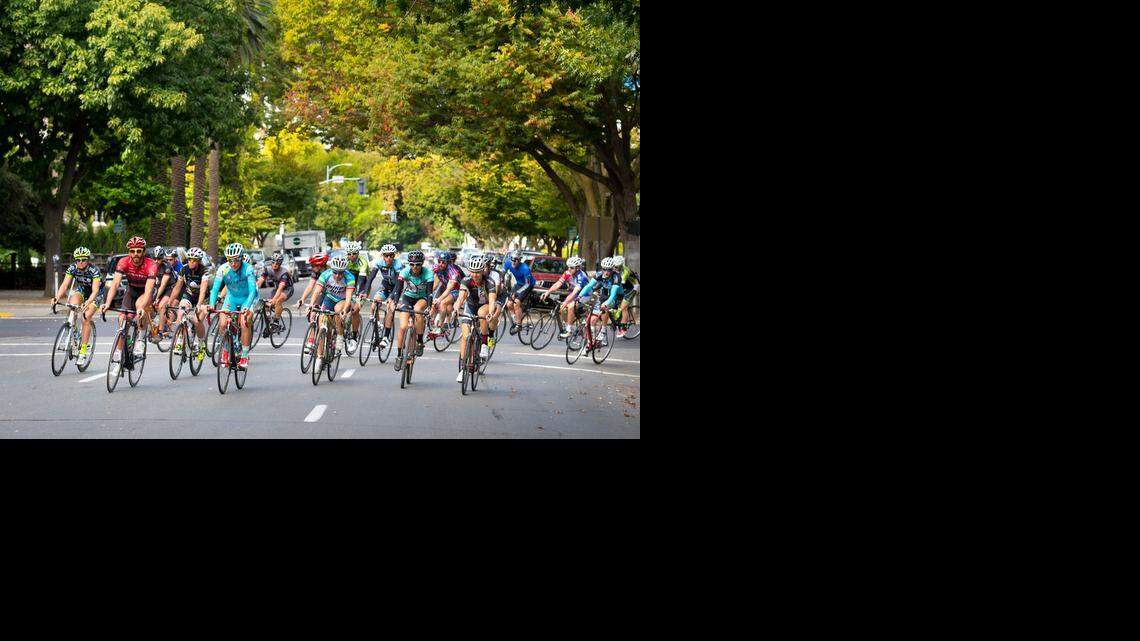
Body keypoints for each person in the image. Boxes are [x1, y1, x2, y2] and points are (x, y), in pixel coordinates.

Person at [100, 236, 159, 377]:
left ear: (143, 251)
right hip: (131, 291)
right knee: (122, 321)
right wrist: (107, 303)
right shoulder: (123, 262)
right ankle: (119, 356)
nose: (135, 254)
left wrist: (141, 307)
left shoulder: (151, 265)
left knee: (140, 306)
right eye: (132, 251)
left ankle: (141, 339)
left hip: (147, 292)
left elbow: (149, 290)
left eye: (139, 251)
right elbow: (114, 284)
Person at [203, 243, 258, 370]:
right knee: (222, 324)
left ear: (241, 257)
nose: (233, 263)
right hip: (231, 298)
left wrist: (247, 306)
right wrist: (211, 304)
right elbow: (215, 289)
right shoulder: (223, 269)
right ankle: (226, 350)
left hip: (246, 299)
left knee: (244, 322)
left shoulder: (248, 269)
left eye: (236, 260)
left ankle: (244, 355)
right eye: (230, 260)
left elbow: (252, 291)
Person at [51, 246, 103, 368]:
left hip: (95, 294)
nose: (80, 262)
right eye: (78, 260)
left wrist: (88, 302)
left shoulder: (94, 270)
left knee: (86, 317)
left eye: (83, 260)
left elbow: (95, 290)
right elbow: (64, 285)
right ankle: (72, 333)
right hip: (82, 290)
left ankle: (83, 351)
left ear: (88, 260)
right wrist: (57, 298)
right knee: (72, 306)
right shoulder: (73, 268)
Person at [453, 254, 496, 383]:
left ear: (483, 270)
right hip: (470, 306)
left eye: (478, 272)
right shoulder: (466, 280)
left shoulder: (489, 282)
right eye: (472, 272)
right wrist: (456, 308)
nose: (475, 275)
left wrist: (491, 312)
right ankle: (463, 369)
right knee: (466, 337)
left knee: (482, 313)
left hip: (485, 305)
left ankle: (484, 344)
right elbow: (461, 298)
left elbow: (493, 301)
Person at [308, 255, 356, 364]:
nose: (338, 275)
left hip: (342, 300)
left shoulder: (350, 277)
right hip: (329, 298)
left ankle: (340, 335)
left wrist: (345, 309)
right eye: (335, 272)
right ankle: (319, 357)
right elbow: (316, 292)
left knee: (338, 310)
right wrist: (311, 305)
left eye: (341, 273)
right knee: (321, 324)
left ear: (344, 271)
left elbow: (348, 297)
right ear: (331, 269)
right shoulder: (325, 275)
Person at [167, 247, 212, 360]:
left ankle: (201, 343)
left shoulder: (204, 270)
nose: (191, 262)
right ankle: (180, 340)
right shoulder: (184, 269)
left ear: (199, 261)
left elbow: (203, 289)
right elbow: (177, 287)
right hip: (189, 295)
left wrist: (199, 305)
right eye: (190, 259)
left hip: (203, 298)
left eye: (194, 260)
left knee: (197, 321)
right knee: (181, 311)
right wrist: (169, 302)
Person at [390, 250, 434, 358]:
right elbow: (398, 289)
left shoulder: (428, 273)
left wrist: (429, 306)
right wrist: (395, 302)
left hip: (422, 298)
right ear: (409, 264)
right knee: (403, 327)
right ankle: (399, 354)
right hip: (408, 298)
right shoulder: (404, 272)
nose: (415, 267)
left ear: (422, 264)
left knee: (418, 310)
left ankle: (419, 341)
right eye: (412, 264)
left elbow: (429, 293)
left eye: (418, 264)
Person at [540, 256, 590, 338]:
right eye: (568, 267)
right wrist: (547, 292)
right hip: (574, 293)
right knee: (561, 308)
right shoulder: (567, 273)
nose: (569, 269)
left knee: (570, 306)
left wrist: (566, 302)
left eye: (571, 268)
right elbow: (557, 284)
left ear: (577, 268)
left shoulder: (582, 277)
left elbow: (575, 292)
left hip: (585, 295)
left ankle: (569, 330)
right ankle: (571, 322)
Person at [366, 244, 404, 350]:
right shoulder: (378, 262)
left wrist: (392, 297)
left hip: (396, 287)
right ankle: (377, 325)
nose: (389, 258)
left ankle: (386, 337)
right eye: (386, 256)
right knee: (374, 304)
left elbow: (398, 283)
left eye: (391, 256)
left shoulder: (398, 264)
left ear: (394, 256)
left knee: (390, 308)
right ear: (383, 256)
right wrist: (365, 292)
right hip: (385, 285)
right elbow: (370, 278)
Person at [256, 252, 295, 332]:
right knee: (266, 304)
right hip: (276, 288)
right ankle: (269, 323)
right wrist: (253, 292)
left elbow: (281, 289)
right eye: (273, 262)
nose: (275, 264)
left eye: (277, 263)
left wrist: (274, 299)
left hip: (287, 289)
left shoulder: (284, 273)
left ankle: (276, 322)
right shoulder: (268, 269)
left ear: (280, 264)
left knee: (277, 301)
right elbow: (260, 282)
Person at [427, 250, 463, 339]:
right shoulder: (436, 267)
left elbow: (449, 289)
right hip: (445, 286)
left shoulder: (453, 271)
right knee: (432, 302)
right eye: (439, 261)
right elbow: (432, 282)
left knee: (443, 302)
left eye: (443, 262)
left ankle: (439, 327)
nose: (441, 264)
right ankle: (430, 322)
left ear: (448, 263)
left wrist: (439, 299)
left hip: (456, 290)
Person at [502, 249, 536, 335]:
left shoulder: (525, 268)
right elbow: (502, 273)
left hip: (527, 285)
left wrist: (517, 293)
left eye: (515, 260)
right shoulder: (508, 263)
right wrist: (501, 283)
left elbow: (527, 284)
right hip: (518, 284)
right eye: (512, 259)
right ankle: (516, 319)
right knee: (509, 304)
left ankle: (519, 325)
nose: (513, 261)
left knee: (516, 303)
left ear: (520, 260)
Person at [613, 255, 639, 337]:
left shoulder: (625, 271)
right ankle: (619, 318)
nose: (615, 268)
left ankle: (624, 329)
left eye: (617, 267)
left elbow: (620, 284)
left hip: (634, 287)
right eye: (614, 266)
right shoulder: (615, 268)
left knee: (623, 307)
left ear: (621, 265)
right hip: (626, 286)